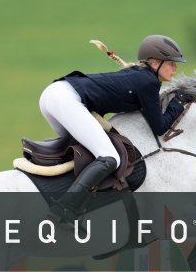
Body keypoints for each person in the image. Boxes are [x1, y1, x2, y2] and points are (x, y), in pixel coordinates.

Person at [40, 34, 187, 223]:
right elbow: (160, 127)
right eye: (171, 63)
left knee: (86, 153)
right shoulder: (148, 82)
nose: (175, 68)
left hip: (54, 94)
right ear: (155, 63)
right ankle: (64, 210)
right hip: (65, 99)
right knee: (109, 157)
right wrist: (178, 103)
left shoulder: (141, 76)